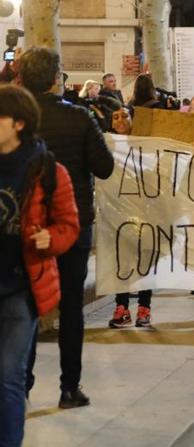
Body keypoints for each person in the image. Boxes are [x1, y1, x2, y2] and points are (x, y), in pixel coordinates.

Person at [18, 47, 114, 409]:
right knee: (71, 306)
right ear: (57, 78)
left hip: (26, 225)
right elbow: (104, 168)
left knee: (27, 302)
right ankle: (69, 387)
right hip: (73, 223)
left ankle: (22, 386)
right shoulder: (80, 117)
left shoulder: (16, 120)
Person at [0, 84, 79, 445]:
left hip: (21, 288)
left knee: (8, 376)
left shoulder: (48, 170)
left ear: (18, 123)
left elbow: (68, 225)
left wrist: (52, 237)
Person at [106, 109, 153, 329]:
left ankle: (144, 308)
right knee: (121, 261)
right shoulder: (107, 146)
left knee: (144, 261)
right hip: (118, 211)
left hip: (144, 210)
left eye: (124, 116)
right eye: (115, 117)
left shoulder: (146, 145)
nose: (120, 120)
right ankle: (122, 308)